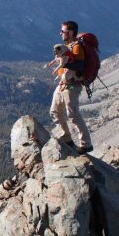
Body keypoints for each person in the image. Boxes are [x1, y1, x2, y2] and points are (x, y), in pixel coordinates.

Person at [50, 20, 93, 154]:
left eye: (62, 31)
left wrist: (63, 64)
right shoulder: (67, 46)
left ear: (70, 32)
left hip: (72, 85)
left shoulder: (77, 47)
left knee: (73, 114)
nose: (60, 33)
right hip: (63, 83)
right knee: (54, 111)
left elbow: (79, 66)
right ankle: (66, 137)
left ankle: (86, 144)